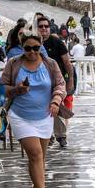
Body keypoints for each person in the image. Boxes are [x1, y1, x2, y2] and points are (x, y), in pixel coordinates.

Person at [2, 35, 65, 188]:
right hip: (20, 115)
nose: (32, 52)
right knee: (35, 154)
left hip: (45, 115)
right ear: (22, 47)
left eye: (36, 48)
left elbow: (60, 84)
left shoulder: (50, 64)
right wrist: (16, 89)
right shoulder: (14, 64)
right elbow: (3, 86)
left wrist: (56, 101)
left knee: (40, 158)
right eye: (28, 48)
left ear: (40, 46)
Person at [36, 17, 75, 149]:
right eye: (40, 26)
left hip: (57, 81)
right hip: (40, 81)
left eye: (46, 26)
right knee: (45, 108)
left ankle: (60, 135)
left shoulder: (56, 42)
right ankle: (52, 135)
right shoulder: (34, 43)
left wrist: (70, 81)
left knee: (56, 106)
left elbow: (67, 63)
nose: (43, 29)